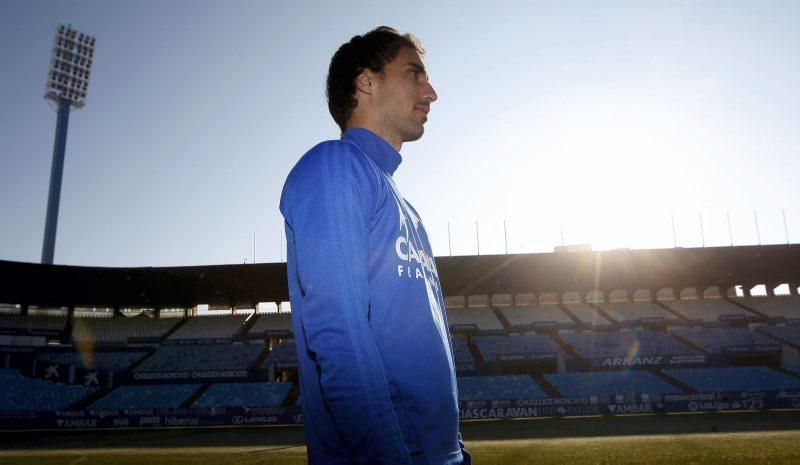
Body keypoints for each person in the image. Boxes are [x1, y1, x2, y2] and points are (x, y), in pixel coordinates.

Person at [279, 26, 472, 465]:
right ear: (366, 81)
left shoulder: (407, 208)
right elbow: (338, 333)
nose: (432, 92)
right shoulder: (335, 165)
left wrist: (454, 450)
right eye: (415, 74)